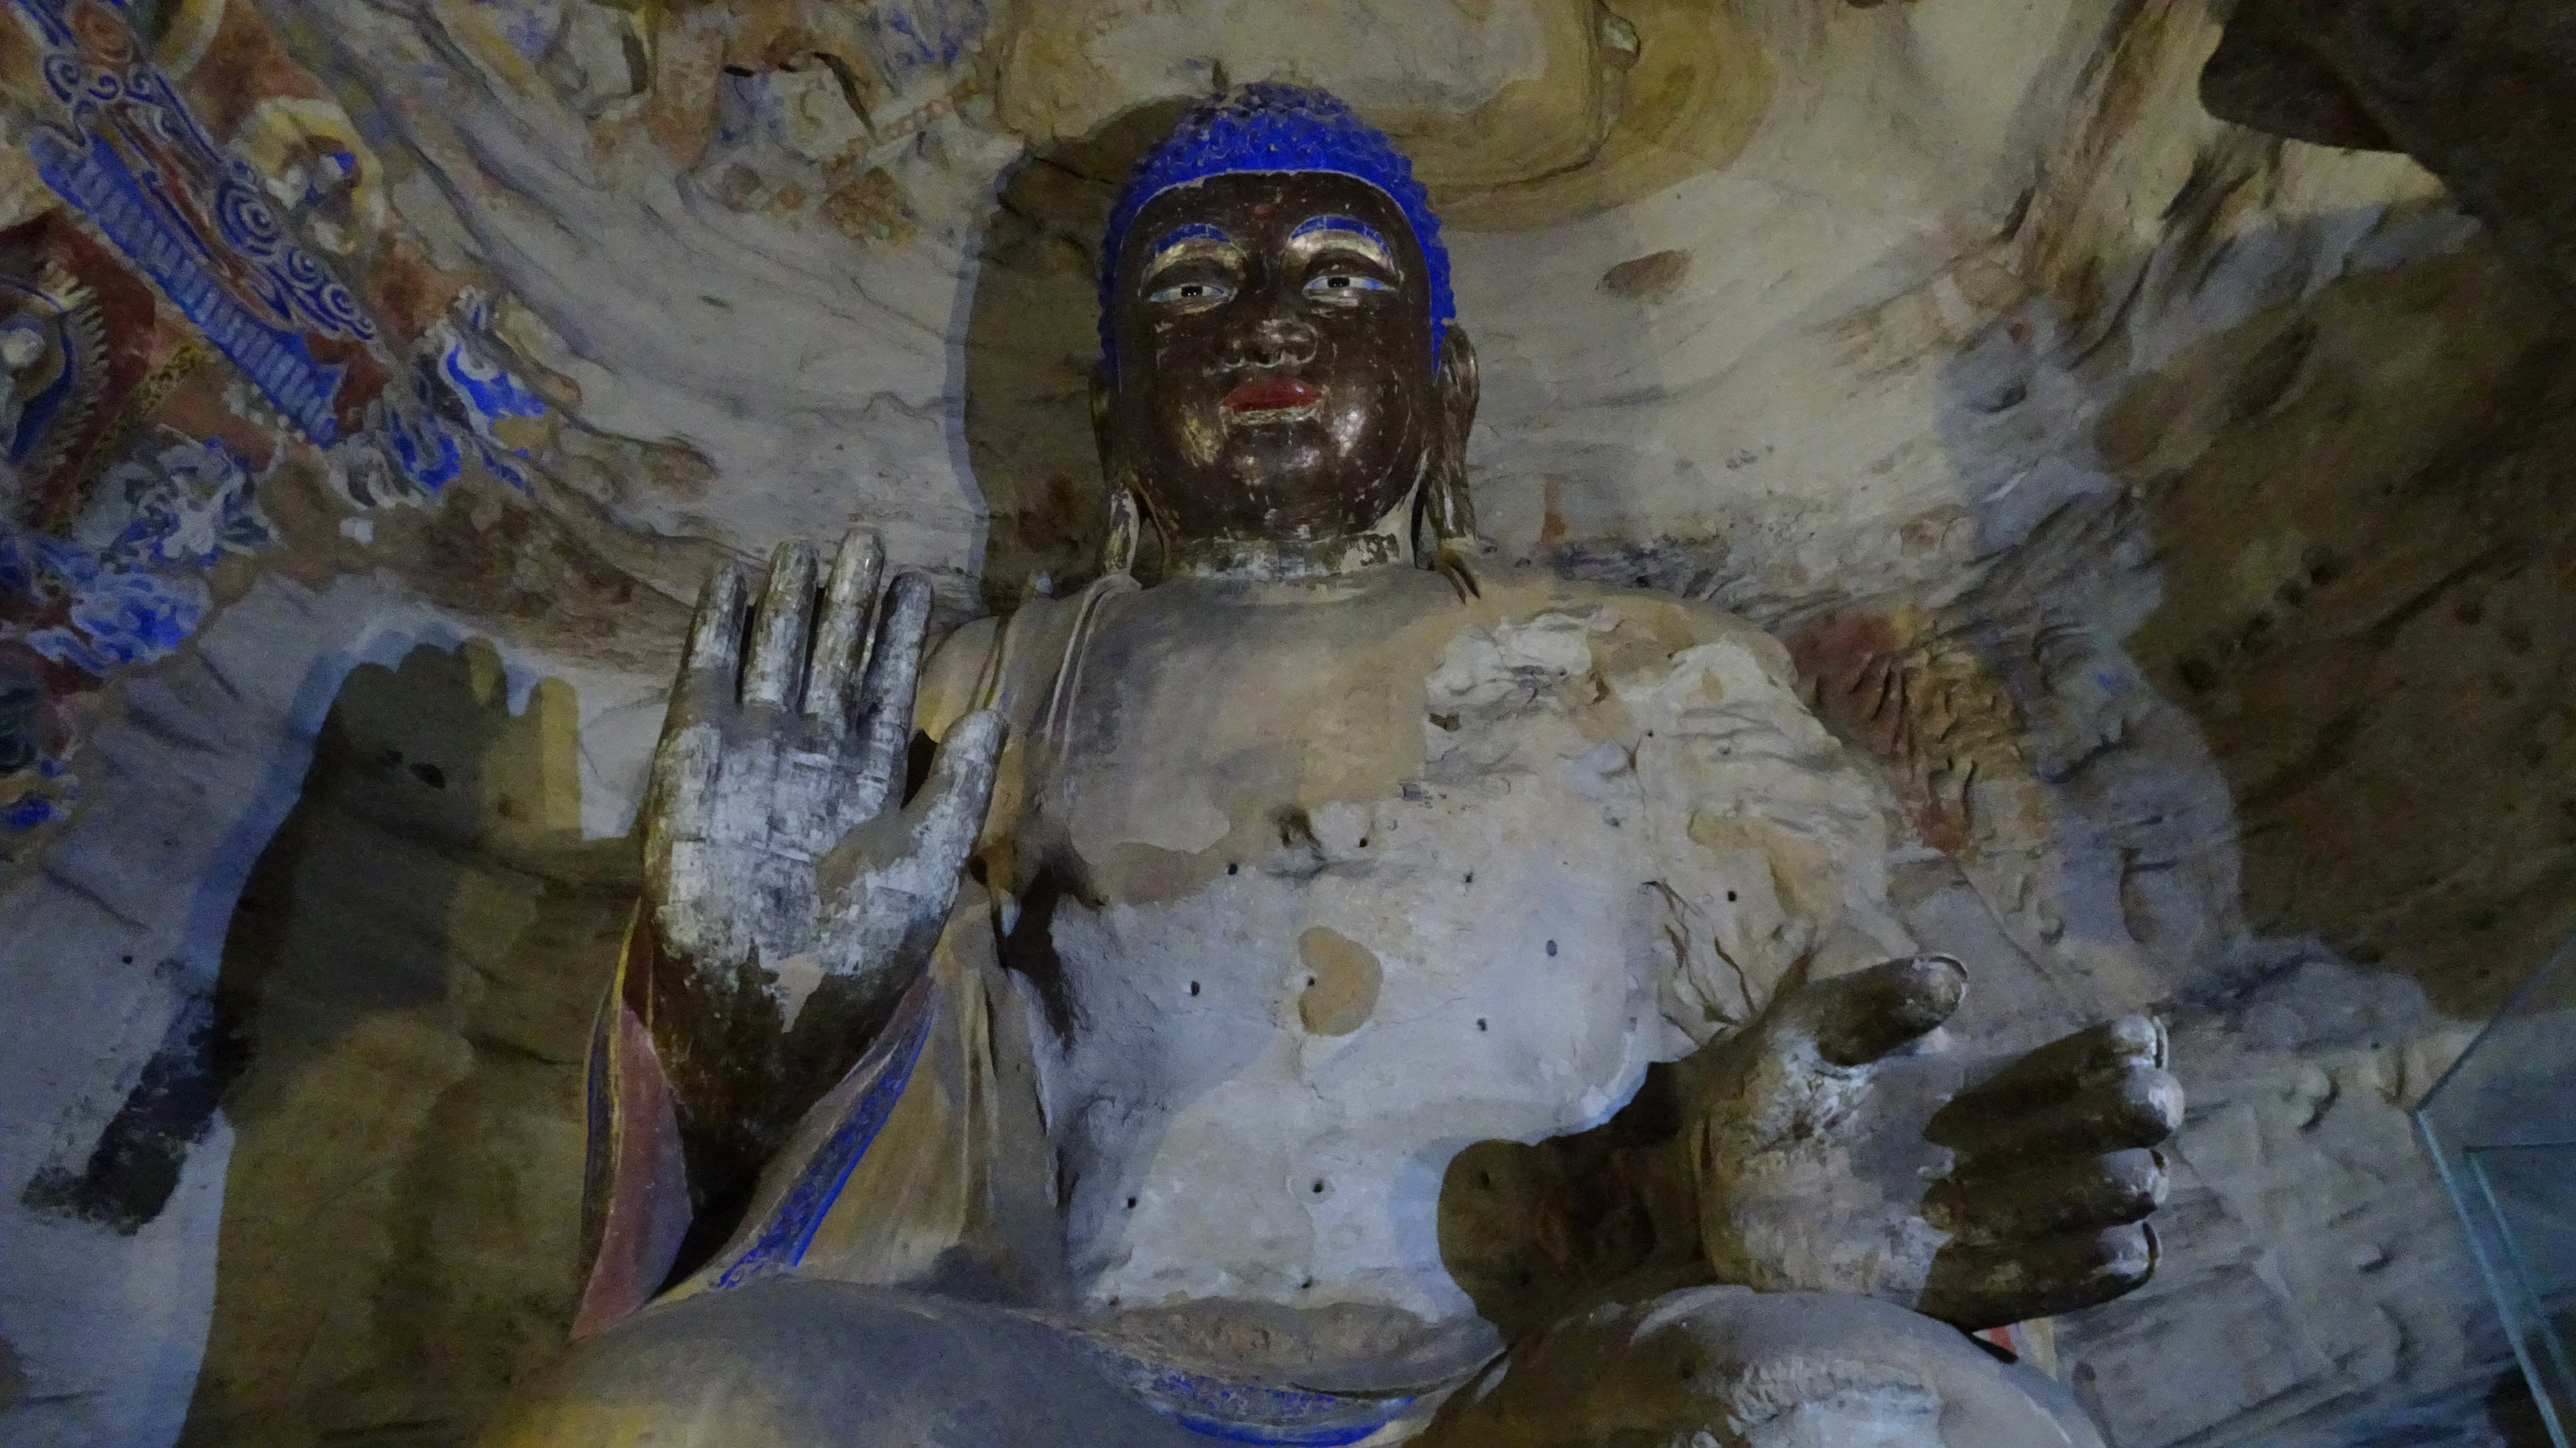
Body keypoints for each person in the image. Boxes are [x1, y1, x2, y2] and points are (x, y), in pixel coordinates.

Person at [480, 84, 2176, 1448]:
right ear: (1113, 414)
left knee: (1848, 1412)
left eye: (1343, 281)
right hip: (1081, 1381)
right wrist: (754, 1027)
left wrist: (1801, 1202)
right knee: (665, 1417)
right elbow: (858, 1167)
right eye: (1190, 291)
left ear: (1449, 390)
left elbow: (1864, 1042)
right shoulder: (992, 682)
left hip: (1531, 1379)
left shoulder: (1650, 673)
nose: (1266, 321)